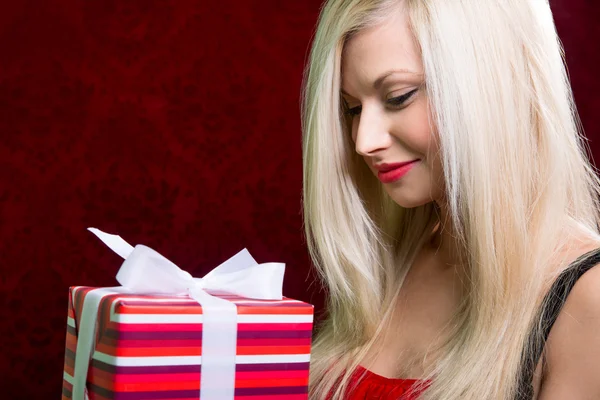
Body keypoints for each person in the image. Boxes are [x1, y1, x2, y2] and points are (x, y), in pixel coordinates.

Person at [300, 0, 600, 399]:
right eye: (351, 108)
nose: (363, 141)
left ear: (494, 88)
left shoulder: (583, 300)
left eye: (398, 97)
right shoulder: (390, 262)